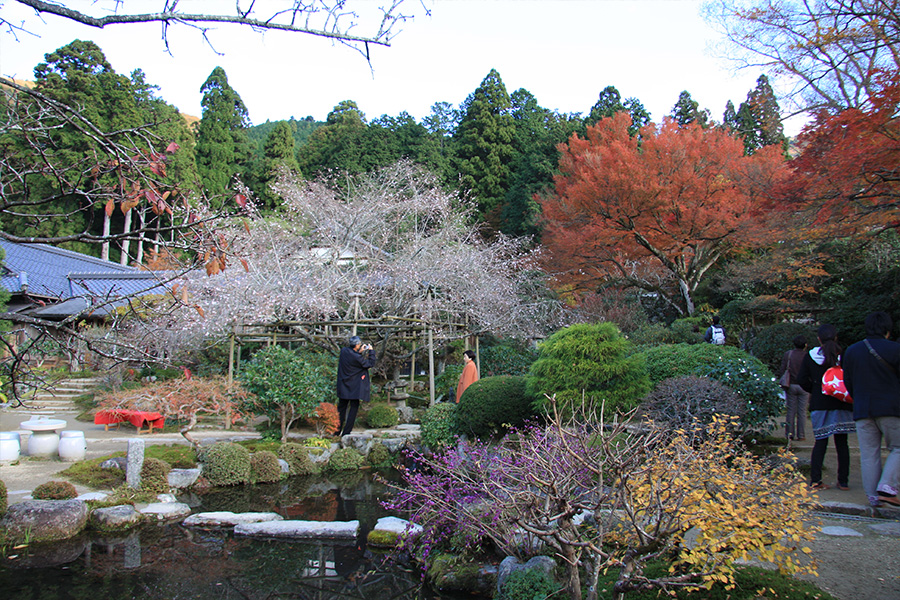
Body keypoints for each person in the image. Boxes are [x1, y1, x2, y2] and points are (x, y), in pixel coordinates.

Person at [842, 311, 900, 508]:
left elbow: (847, 381)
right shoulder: (895, 350)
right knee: (898, 448)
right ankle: (887, 486)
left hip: (862, 409)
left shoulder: (852, 351)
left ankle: (873, 497)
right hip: (892, 408)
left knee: (869, 454)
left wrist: (859, 398)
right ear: (887, 330)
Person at [797, 324, 854, 491]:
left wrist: (815, 389)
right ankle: (843, 481)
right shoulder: (844, 355)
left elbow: (802, 379)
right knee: (842, 443)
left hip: (820, 404)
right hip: (842, 403)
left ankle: (816, 480)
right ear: (836, 337)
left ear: (818, 339)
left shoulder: (811, 356)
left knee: (820, 442)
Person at [336, 335, 377, 437]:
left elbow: (352, 357)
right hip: (355, 388)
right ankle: (346, 432)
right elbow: (370, 363)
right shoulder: (357, 358)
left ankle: (336, 431)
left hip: (344, 385)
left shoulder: (344, 351)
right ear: (357, 345)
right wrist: (371, 351)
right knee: (353, 409)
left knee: (341, 409)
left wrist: (359, 352)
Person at [780, 335, 810, 441]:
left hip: (791, 384)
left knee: (791, 410)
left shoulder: (789, 354)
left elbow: (783, 369)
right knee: (802, 411)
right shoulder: (807, 356)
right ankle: (801, 435)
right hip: (804, 386)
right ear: (805, 345)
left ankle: (789, 434)